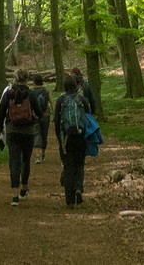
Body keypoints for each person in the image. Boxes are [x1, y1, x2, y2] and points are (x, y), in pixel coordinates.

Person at [0, 68, 43, 206]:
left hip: (12, 131)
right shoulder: (31, 94)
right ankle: (24, 188)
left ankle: (14, 195)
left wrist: (1, 128)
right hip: (28, 131)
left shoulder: (9, 94)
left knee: (14, 161)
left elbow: (0, 113)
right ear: (27, 79)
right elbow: (39, 113)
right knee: (25, 161)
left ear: (15, 78)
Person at [54, 74, 91, 209]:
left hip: (66, 139)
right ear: (76, 86)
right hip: (81, 137)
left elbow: (57, 122)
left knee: (68, 165)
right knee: (80, 164)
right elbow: (88, 117)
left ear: (64, 86)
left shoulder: (60, 100)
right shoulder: (81, 99)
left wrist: (59, 138)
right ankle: (78, 188)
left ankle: (69, 199)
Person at [30, 74, 51, 163]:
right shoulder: (47, 91)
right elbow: (51, 102)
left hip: (35, 116)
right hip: (45, 115)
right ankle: (43, 154)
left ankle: (37, 156)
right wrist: (52, 112)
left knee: (36, 134)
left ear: (34, 82)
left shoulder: (32, 92)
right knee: (44, 134)